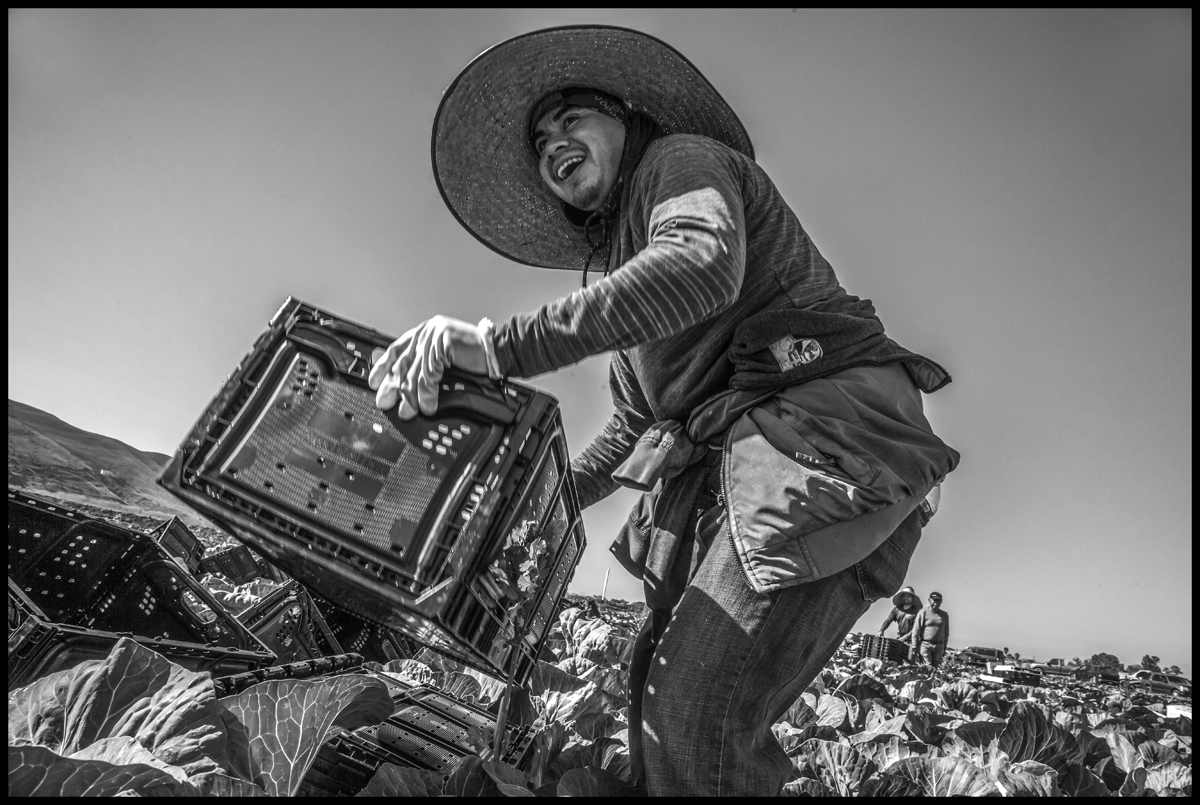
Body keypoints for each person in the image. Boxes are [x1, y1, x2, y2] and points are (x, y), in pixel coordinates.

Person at [369, 25, 960, 796]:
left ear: (625, 115)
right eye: (540, 140)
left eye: (571, 116)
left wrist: (495, 347)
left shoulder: (680, 162)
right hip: (746, 476)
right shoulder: (624, 276)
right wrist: (540, 498)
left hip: (824, 450)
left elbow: (701, 265)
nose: (554, 142)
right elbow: (630, 427)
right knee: (653, 706)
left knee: (695, 721)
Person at [911, 591, 950, 668]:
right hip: (926, 645)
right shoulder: (923, 612)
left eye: (938, 601)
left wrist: (945, 646)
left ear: (941, 602)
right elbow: (916, 630)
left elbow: (946, 632)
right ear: (929, 600)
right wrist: (914, 646)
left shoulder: (944, 615)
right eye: (934, 600)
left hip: (939, 646)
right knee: (927, 667)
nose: (936, 603)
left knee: (935, 668)